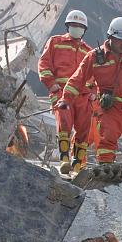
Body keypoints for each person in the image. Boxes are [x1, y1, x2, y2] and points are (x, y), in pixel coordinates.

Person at [63, 17, 122, 194]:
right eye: (120, 41)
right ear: (110, 37)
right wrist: (66, 99)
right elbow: (77, 80)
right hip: (110, 110)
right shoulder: (95, 56)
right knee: (106, 142)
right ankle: (106, 183)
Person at [38, 9, 93, 175]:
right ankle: (64, 160)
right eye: (73, 25)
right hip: (61, 92)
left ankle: (77, 166)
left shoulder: (88, 51)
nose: (76, 28)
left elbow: (95, 75)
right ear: (68, 26)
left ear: (84, 29)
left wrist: (93, 92)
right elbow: (44, 64)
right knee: (64, 123)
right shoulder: (55, 42)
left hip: (83, 96)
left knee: (84, 130)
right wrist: (52, 84)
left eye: (79, 26)